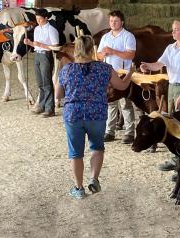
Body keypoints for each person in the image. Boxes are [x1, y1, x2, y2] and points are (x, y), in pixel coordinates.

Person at [55, 35, 133, 199]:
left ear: (75, 50)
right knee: (97, 147)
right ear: (93, 50)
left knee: (76, 153)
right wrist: (131, 72)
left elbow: (58, 95)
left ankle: (78, 188)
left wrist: (58, 79)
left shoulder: (67, 69)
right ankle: (94, 179)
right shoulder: (105, 68)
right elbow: (122, 85)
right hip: (96, 113)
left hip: (73, 114)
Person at [140, 19, 180, 179]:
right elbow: (159, 64)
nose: (173, 32)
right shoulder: (170, 48)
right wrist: (147, 66)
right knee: (173, 123)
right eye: (172, 29)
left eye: (176, 29)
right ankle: (176, 159)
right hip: (172, 86)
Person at [97, 10, 136, 144]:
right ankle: (110, 131)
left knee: (125, 103)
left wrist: (113, 51)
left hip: (123, 73)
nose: (113, 23)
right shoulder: (105, 37)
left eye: (116, 21)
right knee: (110, 103)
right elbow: (98, 56)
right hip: (108, 73)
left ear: (122, 22)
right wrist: (103, 54)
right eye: (111, 21)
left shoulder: (128, 36)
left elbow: (131, 55)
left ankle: (130, 132)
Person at [24, 8, 59, 118]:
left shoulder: (52, 30)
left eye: (40, 19)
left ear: (46, 18)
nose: (38, 21)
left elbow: (56, 47)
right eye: (36, 19)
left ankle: (50, 109)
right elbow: (36, 45)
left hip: (46, 55)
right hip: (37, 55)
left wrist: (41, 45)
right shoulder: (37, 29)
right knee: (40, 82)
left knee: (47, 82)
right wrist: (30, 43)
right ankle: (42, 105)